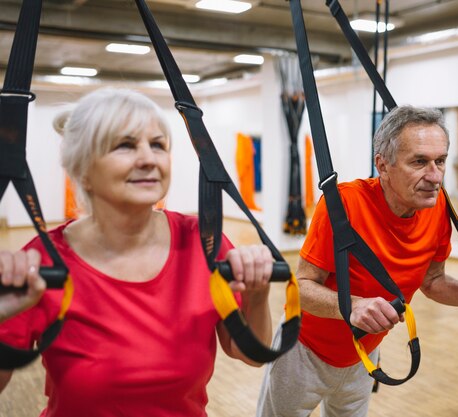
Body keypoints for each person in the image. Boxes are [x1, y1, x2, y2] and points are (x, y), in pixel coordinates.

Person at [0, 88, 274, 417]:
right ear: (83, 171)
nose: (148, 159)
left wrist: (257, 297)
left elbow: (251, 354)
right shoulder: (43, 262)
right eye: (125, 145)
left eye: (157, 144)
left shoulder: (203, 242)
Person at [256, 105, 458, 417]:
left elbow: (432, 282)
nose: (435, 176)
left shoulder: (438, 210)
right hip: (304, 352)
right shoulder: (344, 205)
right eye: (419, 162)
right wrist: (353, 305)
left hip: (363, 354)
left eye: (440, 161)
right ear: (383, 164)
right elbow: (301, 288)